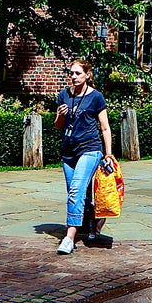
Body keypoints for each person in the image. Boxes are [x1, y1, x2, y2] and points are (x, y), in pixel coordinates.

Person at [53, 59, 115, 254]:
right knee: (79, 192)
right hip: (68, 151)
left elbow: (105, 128)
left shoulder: (96, 97)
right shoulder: (64, 95)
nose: (74, 77)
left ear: (87, 75)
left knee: (75, 192)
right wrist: (61, 115)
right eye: (71, 73)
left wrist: (108, 154)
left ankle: (69, 238)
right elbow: (58, 126)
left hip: (90, 149)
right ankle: (94, 219)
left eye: (78, 73)